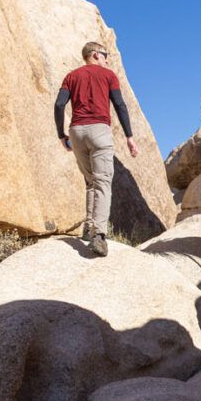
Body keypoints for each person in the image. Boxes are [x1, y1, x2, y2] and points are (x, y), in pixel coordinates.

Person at [54, 41, 139, 257]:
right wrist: (129, 137)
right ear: (94, 54)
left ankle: (88, 227)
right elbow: (119, 105)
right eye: (105, 54)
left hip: (76, 132)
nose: (107, 59)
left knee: (91, 181)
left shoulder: (71, 76)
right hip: (99, 130)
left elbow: (59, 104)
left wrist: (61, 135)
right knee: (102, 183)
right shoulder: (108, 76)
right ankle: (99, 235)